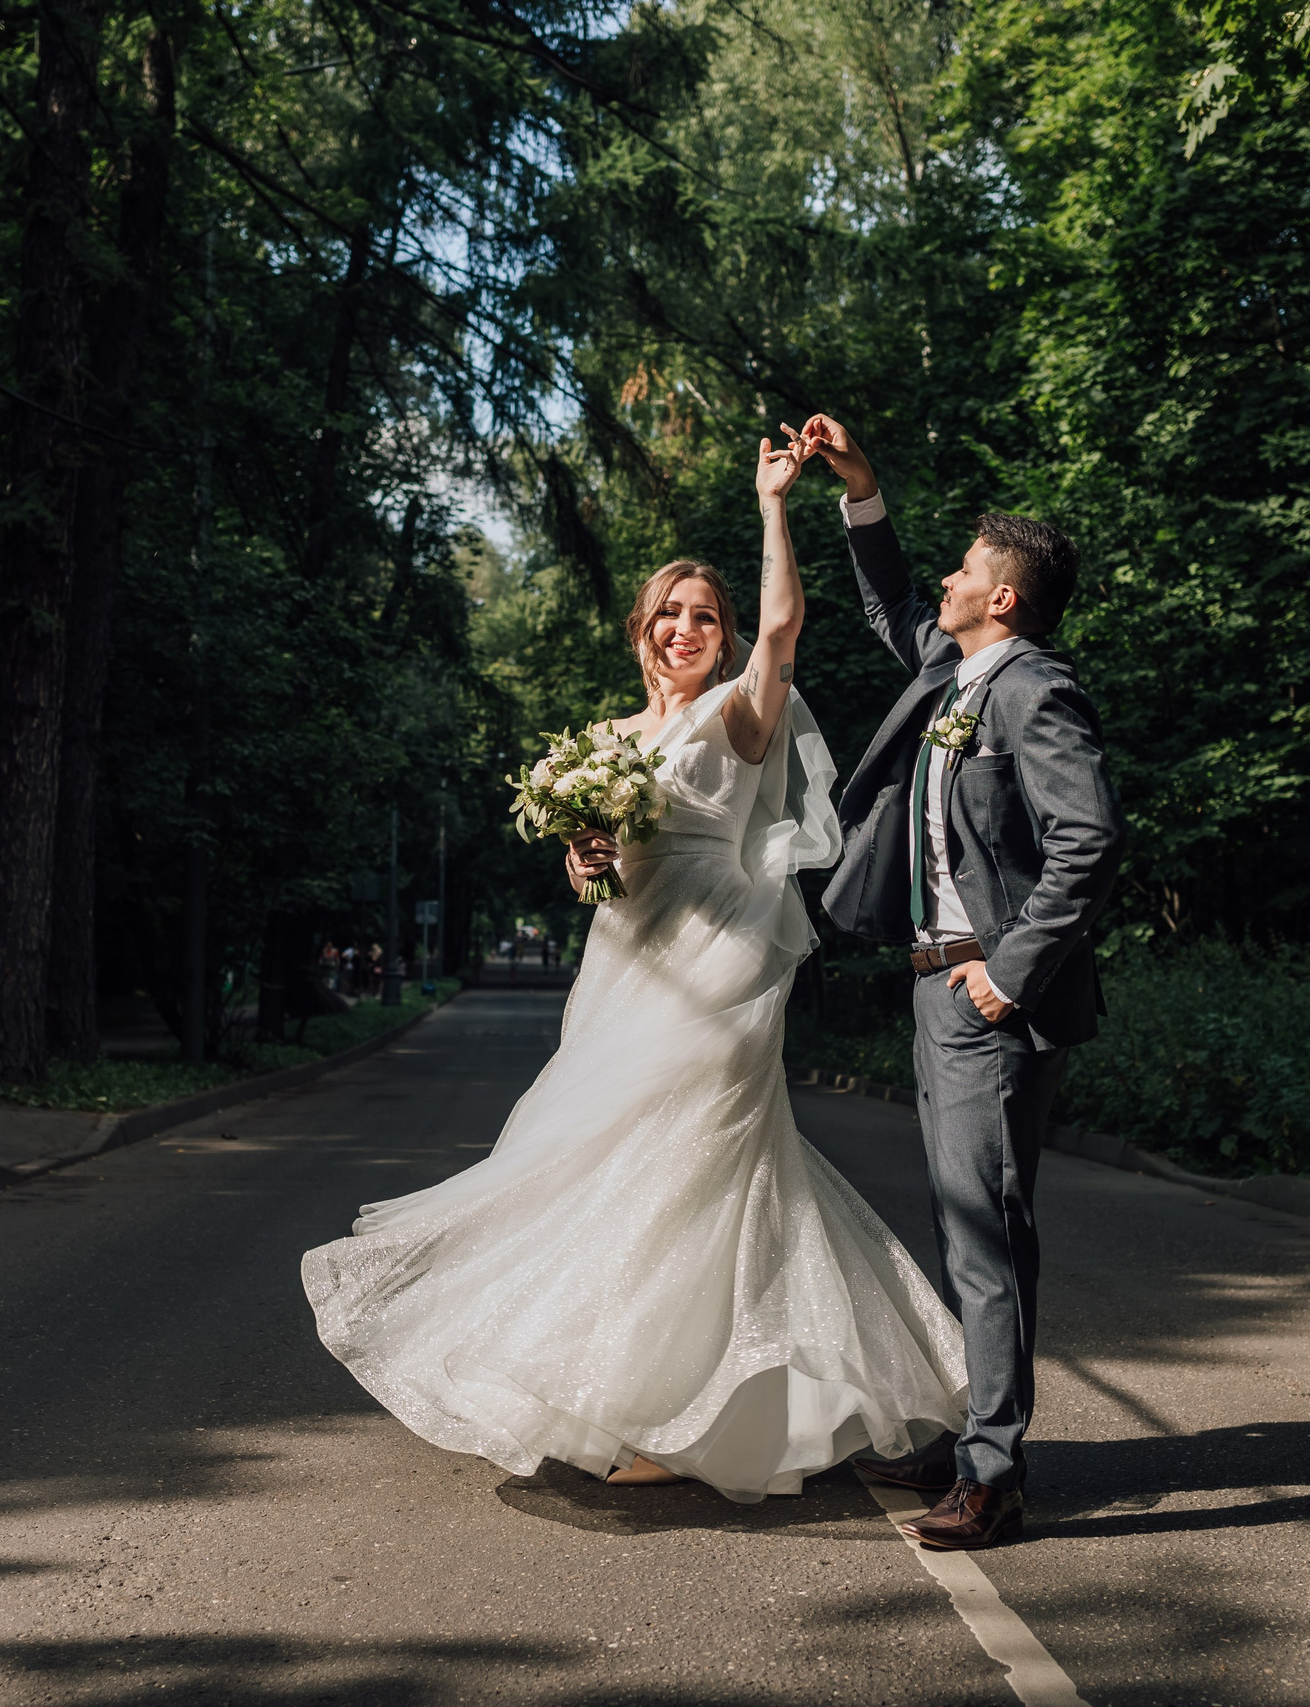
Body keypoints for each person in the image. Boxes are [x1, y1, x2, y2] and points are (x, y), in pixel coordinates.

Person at [302, 434, 967, 1502]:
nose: (687, 629)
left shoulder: (739, 714)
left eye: (705, 616)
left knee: (692, 1151)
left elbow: (787, 623)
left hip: (728, 956)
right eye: (671, 614)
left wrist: (773, 507)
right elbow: (598, 880)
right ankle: (659, 1396)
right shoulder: (607, 740)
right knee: (623, 1163)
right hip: (627, 961)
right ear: (643, 632)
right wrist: (585, 856)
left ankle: (679, 1414)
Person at [796, 413, 1125, 1550]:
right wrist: (859, 489)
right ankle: (972, 1432)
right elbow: (894, 605)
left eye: (966, 570)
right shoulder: (957, 671)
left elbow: (1087, 841)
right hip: (936, 989)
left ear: (1006, 601)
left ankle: (994, 1474)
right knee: (960, 1220)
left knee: (987, 1230)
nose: (948, 576)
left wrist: (1010, 975)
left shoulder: (1035, 690)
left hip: (989, 1000)